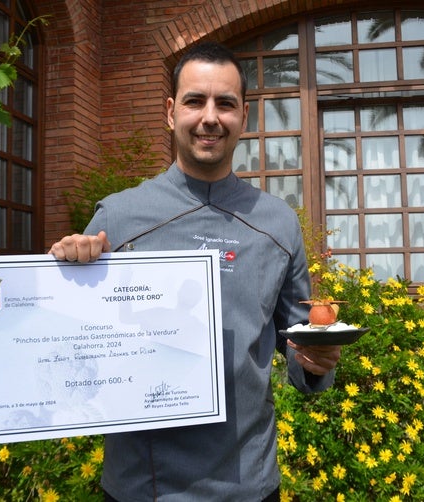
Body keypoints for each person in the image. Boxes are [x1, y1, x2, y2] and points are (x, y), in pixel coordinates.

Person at [49, 41, 341, 502]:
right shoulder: (118, 217)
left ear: (244, 116)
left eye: (225, 104)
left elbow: (300, 341)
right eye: (194, 101)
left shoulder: (277, 222)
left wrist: (317, 363)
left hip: (249, 483)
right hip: (141, 486)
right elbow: (71, 344)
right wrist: (65, 272)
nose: (210, 117)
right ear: (171, 112)